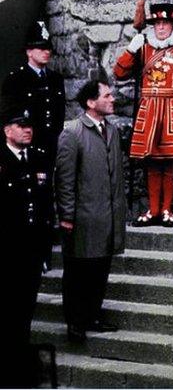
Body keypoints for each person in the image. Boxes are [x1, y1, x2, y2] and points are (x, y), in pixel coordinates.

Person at [114, 2, 173, 227]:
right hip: (149, 113)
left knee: (171, 163)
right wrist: (130, 50)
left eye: (166, 23)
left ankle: (166, 209)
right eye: (157, 23)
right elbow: (119, 73)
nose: (161, 28)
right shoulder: (144, 49)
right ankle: (153, 209)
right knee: (152, 162)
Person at [56, 79, 127, 344]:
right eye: (107, 96)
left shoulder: (112, 131)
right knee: (78, 271)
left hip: (107, 216)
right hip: (83, 217)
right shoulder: (73, 132)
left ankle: (93, 315)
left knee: (100, 269)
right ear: (90, 102)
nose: (112, 100)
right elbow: (65, 179)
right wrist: (66, 215)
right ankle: (75, 322)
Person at [0, 104, 54, 387]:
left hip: (31, 251)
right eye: (21, 125)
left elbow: (45, 207)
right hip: (7, 252)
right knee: (7, 309)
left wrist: (45, 250)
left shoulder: (38, 158)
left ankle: (19, 364)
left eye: (30, 126)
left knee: (25, 309)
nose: (27, 130)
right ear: (7, 130)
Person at [1, 20, 66, 175]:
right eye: (41, 48)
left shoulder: (56, 79)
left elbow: (58, 116)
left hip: (52, 149)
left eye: (48, 48)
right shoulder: (15, 80)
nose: (47, 52)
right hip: (26, 149)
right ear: (29, 51)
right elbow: (7, 119)